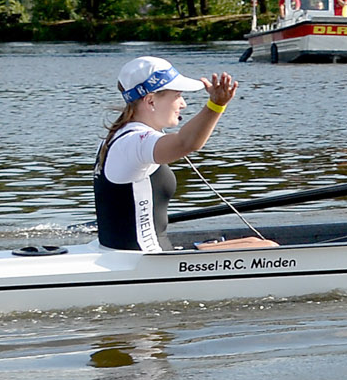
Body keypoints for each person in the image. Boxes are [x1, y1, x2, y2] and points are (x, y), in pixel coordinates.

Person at [95, 56, 268, 252]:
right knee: (269, 247)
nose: (183, 103)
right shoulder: (132, 142)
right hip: (143, 261)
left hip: (136, 254)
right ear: (150, 101)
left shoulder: (118, 134)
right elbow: (187, 142)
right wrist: (216, 105)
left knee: (255, 242)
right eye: (177, 95)